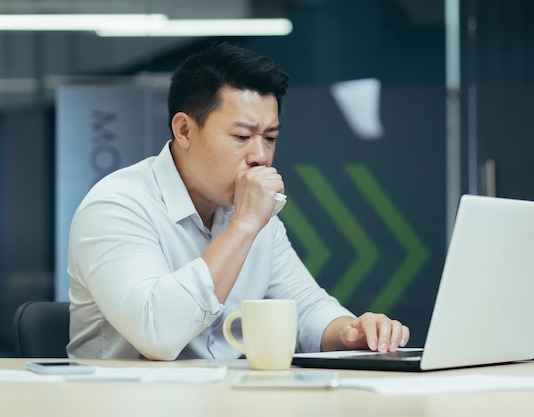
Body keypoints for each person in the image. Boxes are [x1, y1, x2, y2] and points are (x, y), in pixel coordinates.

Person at [67, 41, 410, 360]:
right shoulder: (117, 206)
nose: (260, 156)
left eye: (270, 137)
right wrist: (244, 226)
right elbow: (157, 334)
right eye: (242, 136)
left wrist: (351, 332)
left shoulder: (257, 217)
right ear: (184, 130)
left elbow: (305, 307)